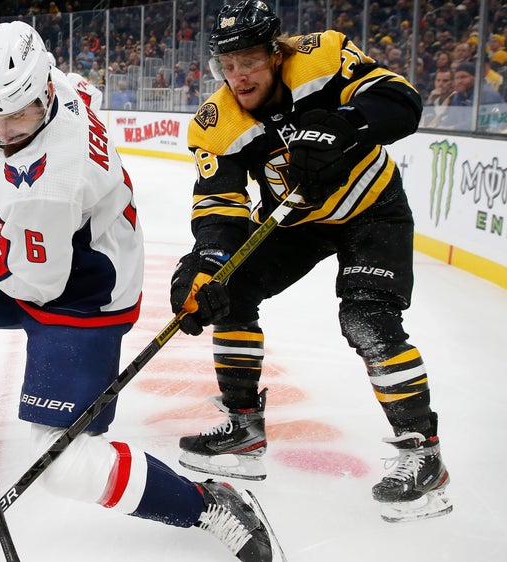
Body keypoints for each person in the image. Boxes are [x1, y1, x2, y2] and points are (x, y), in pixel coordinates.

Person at [0, 21, 282, 562]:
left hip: (83, 294)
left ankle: (210, 505)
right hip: (41, 257)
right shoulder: (51, 84)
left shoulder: (57, 177)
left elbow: (36, 280)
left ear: (43, 94)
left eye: (17, 115)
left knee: (63, 462)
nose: (5, 130)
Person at [168, 0, 451, 524]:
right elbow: (219, 207)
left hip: (373, 208)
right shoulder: (217, 122)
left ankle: (423, 455)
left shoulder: (322, 56)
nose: (238, 76)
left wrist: (346, 124)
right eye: (226, 66)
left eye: (248, 61)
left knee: (368, 320)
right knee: (227, 291)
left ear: (275, 53)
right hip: (295, 223)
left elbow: (401, 100)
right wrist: (207, 263)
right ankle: (244, 426)